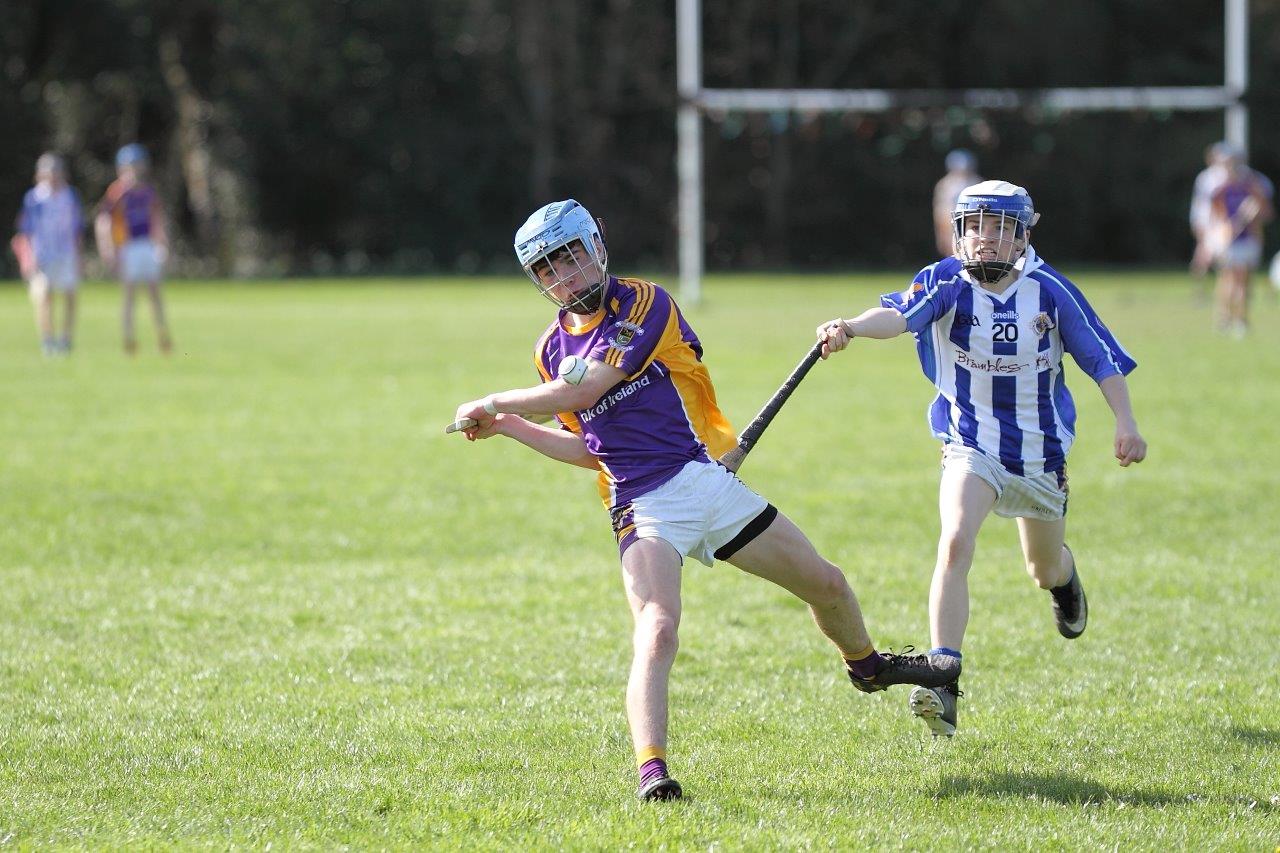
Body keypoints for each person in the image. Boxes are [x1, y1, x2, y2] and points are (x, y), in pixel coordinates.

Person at [453, 199, 960, 801]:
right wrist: (509, 427)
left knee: (828, 584)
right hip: (639, 505)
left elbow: (588, 384)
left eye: (573, 258)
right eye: (548, 271)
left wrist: (496, 402)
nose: (566, 277)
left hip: (701, 482)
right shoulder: (549, 351)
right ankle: (653, 772)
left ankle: (868, 667)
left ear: (597, 246)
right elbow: (587, 449)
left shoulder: (644, 303)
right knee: (658, 629)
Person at [816, 181, 1147, 738]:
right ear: (959, 231)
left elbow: (1102, 360)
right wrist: (850, 326)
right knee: (954, 540)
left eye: (999, 228)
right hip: (969, 444)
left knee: (1041, 568)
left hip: (1040, 454)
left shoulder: (1050, 291)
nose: (986, 240)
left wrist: (1126, 422)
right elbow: (897, 316)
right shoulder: (945, 280)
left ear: (1021, 235)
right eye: (975, 227)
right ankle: (943, 681)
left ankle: (1065, 582)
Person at [95, 143, 173, 355]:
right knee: (129, 295)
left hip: (146, 245)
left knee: (154, 293)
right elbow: (104, 222)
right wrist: (108, 249)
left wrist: (163, 245)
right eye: (130, 166)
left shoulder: (148, 192)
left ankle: (163, 338)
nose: (135, 170)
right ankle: (129, 340)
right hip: (127, 248)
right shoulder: (117, 193)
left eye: (138, 165)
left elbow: (158, 219)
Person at [12, 153, 84, 356]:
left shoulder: (70, 196)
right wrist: (27, 257)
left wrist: (79, 255)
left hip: (66, 252)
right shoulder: (34, 198)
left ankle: (66, 339)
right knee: (44, 296)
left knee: (70, 295)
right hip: (42, 254)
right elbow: (24, 231)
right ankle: (47, 340)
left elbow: (77, 228)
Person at [1205, 146, 1274, 337]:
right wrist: (1222, 231)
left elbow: (1267, 212)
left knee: (1243, 280)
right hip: (1229, 240)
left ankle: (1240, 320)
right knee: (1228, 278)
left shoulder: (1253, 187)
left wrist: (1253, 214)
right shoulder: (1220, 190)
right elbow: (1215, 216)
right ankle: (1225, 317)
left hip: (1248, 240)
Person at [1189, 142, 1228, 277]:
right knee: (1203, 253)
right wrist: (1199, 222)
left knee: (1225, 255)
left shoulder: (1228, 176)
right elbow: (1201, 204)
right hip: (1207, 221)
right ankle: (1199, 286)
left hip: (1222, 221)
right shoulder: (1206, 177)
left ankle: (1223, 285)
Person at [933, 149, 981, 257]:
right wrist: (941, 234)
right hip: (951, 224)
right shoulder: (945, 185)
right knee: (952, 255)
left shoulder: (977, 183)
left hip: (972, 223)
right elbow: (941, 212)